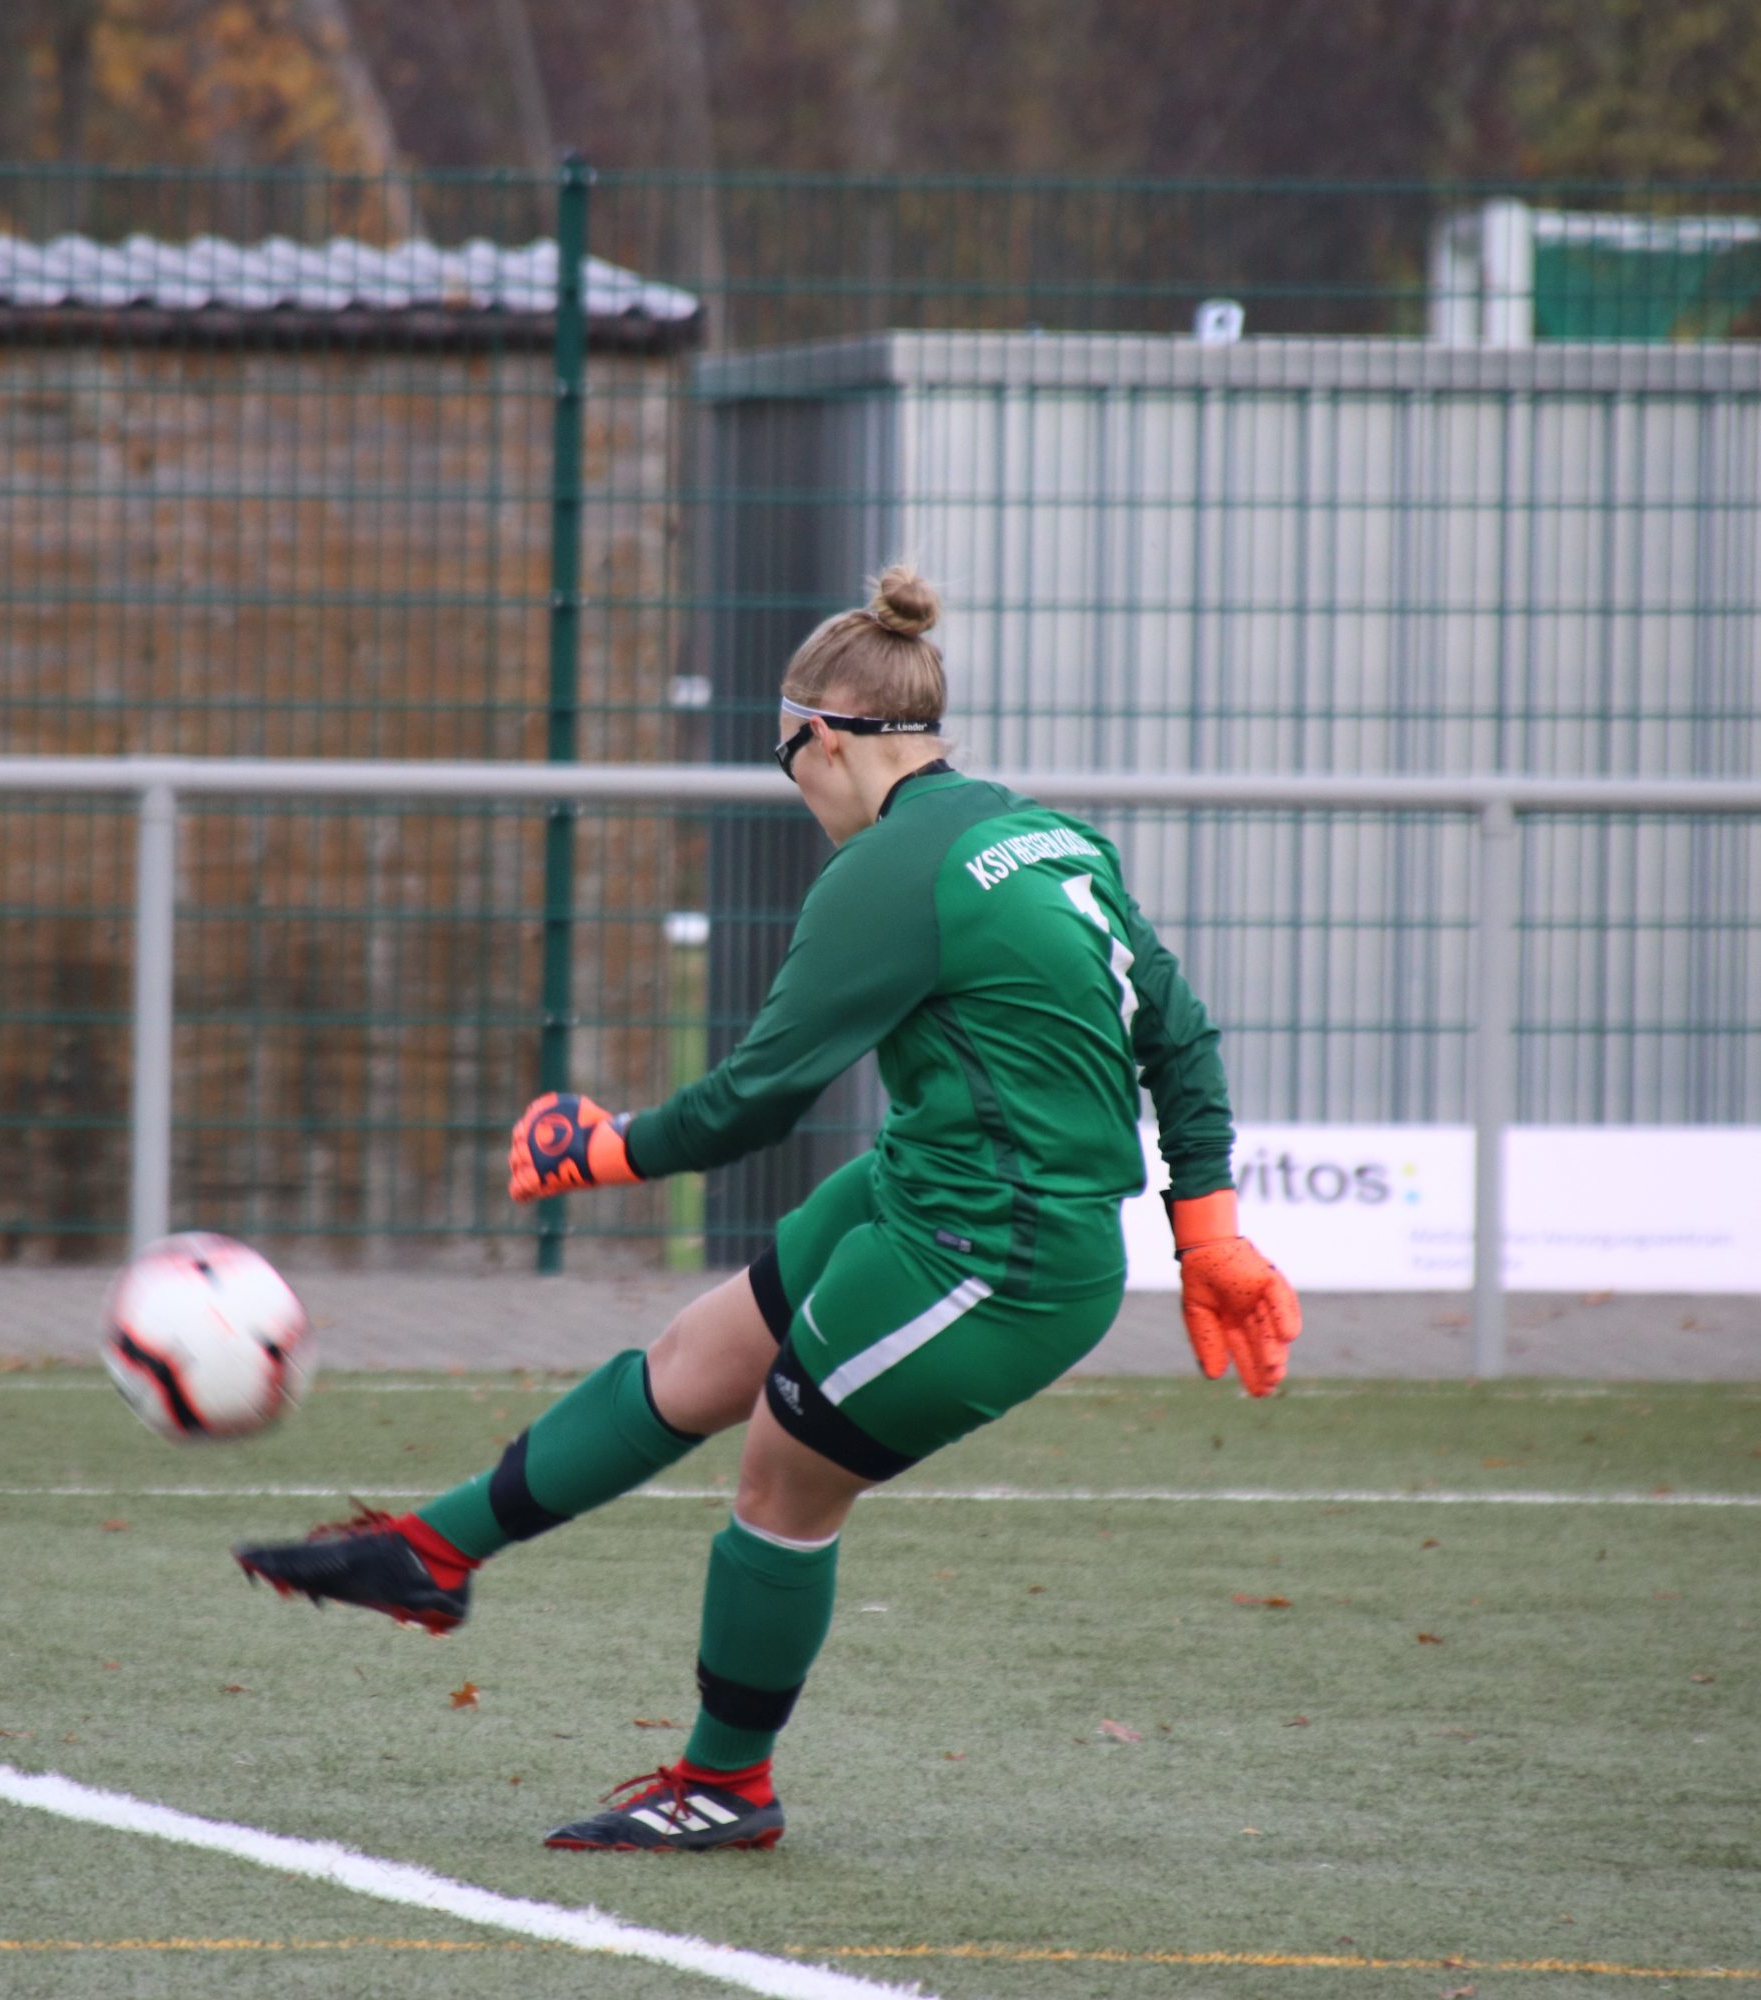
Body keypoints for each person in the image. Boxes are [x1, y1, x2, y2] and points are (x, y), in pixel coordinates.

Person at [233, 565, 1299, 1852]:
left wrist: (605, 1147)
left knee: (783, 1484)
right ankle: (433, 1551)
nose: (789, 779)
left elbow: (754, 1099)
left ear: (824, 735)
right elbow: (1175, 1036)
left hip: (998, 1260)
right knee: (697, 1357)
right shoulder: (1051, 834)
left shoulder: (889, 870)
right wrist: (1211, 1232)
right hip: (931, 1186)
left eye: (784, 748)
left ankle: (726, 1782)